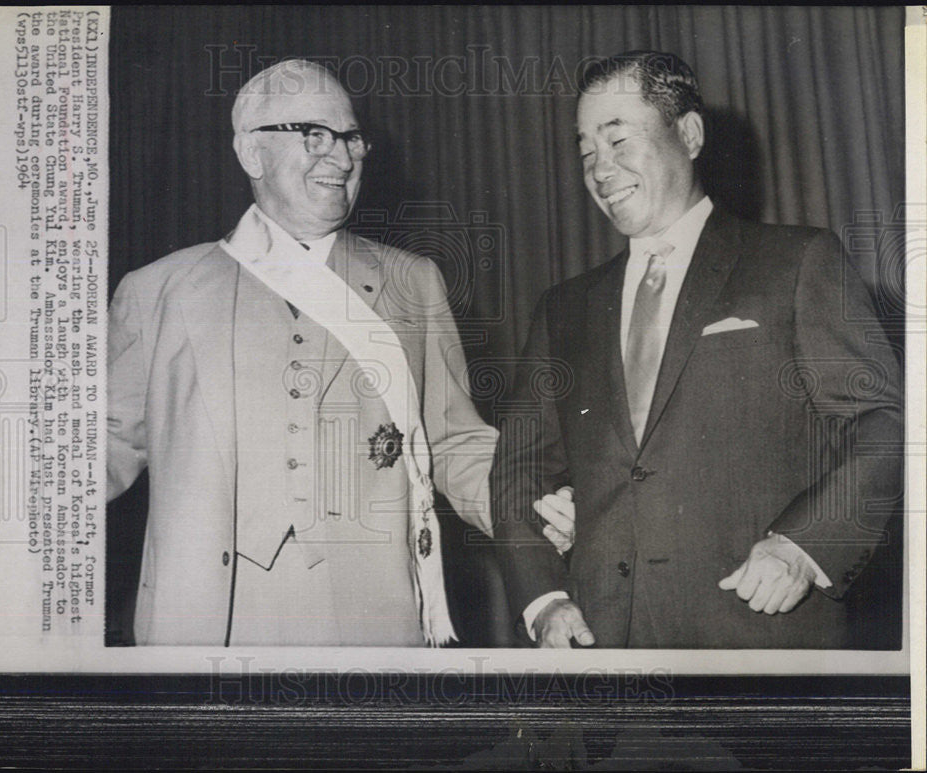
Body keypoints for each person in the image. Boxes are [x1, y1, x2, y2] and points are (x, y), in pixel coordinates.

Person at [495, 51, 903, 649]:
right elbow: (518, 470)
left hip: (761, 651)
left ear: (688, 134)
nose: (600, 170)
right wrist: (544, 598)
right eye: (587, 151)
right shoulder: (564, 307)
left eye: (618, 141)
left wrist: (806, 544)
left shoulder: (796, 263)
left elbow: (885, 423)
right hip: (601, 657)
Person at [107, 59, 498, 647]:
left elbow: (453, 443)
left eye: (350, 139)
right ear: (250, 152)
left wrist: (542, 512)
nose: (340, 158)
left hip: (376, 618)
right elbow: (96, 451)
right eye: (313, 135)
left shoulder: (410, 281)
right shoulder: (156, 292)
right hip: (212, 621)